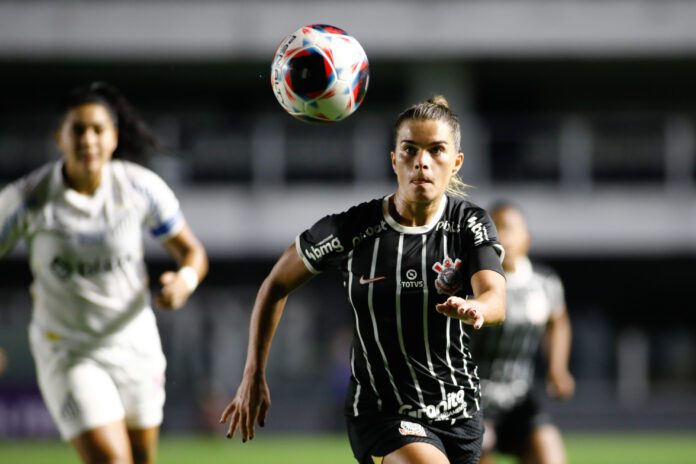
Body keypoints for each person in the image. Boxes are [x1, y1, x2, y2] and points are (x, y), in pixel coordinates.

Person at [220, 96, 507, 464]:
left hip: (460, 413)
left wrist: (476, 307)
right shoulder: (353, 229)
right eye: (410, 150)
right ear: (394, 159)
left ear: (456, 163)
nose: (422, 161)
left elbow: (495, 297)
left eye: (436, 150)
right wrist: (253, 372)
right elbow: (276, 284)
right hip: (384, 416)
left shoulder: (470, 223)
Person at [0, 82, 208, 464]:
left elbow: (192, 253)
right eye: (77, 129)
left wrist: (184, 281)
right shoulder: (29, 199)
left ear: (114, 138)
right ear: (59, 138)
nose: (88, 139)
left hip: (135, 346)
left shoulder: (139, 187)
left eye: (98, 129)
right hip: (69, 351)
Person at [472, 202, 574, 464]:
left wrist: (557, 368)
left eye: (507, 228)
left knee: (549, 452)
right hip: (472, 396)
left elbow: (558, 322)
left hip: (520, 396)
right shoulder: (472, 281)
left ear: (526, 239)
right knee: (478, 452)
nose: (501, 237)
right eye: (493, 230)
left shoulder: (544, 282)